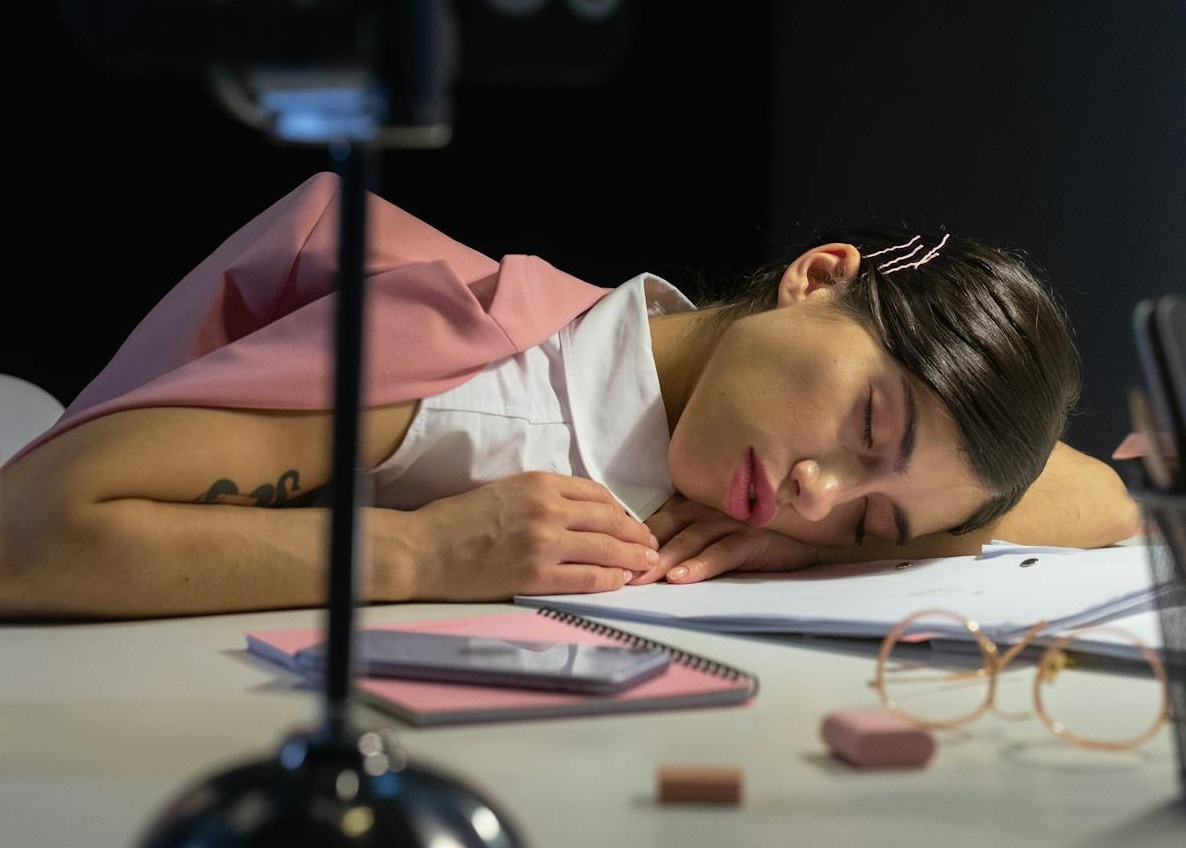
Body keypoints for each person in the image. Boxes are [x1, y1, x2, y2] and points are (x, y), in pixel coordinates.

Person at [0, 171, 1138, 620]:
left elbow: (1103, 503)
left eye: (869, 513)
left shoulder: (668, 362)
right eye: (866, 426)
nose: (809, 489)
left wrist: (822, 548)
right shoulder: (476, 383)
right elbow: (27, 535)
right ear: (820, 274)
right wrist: (422, 556)